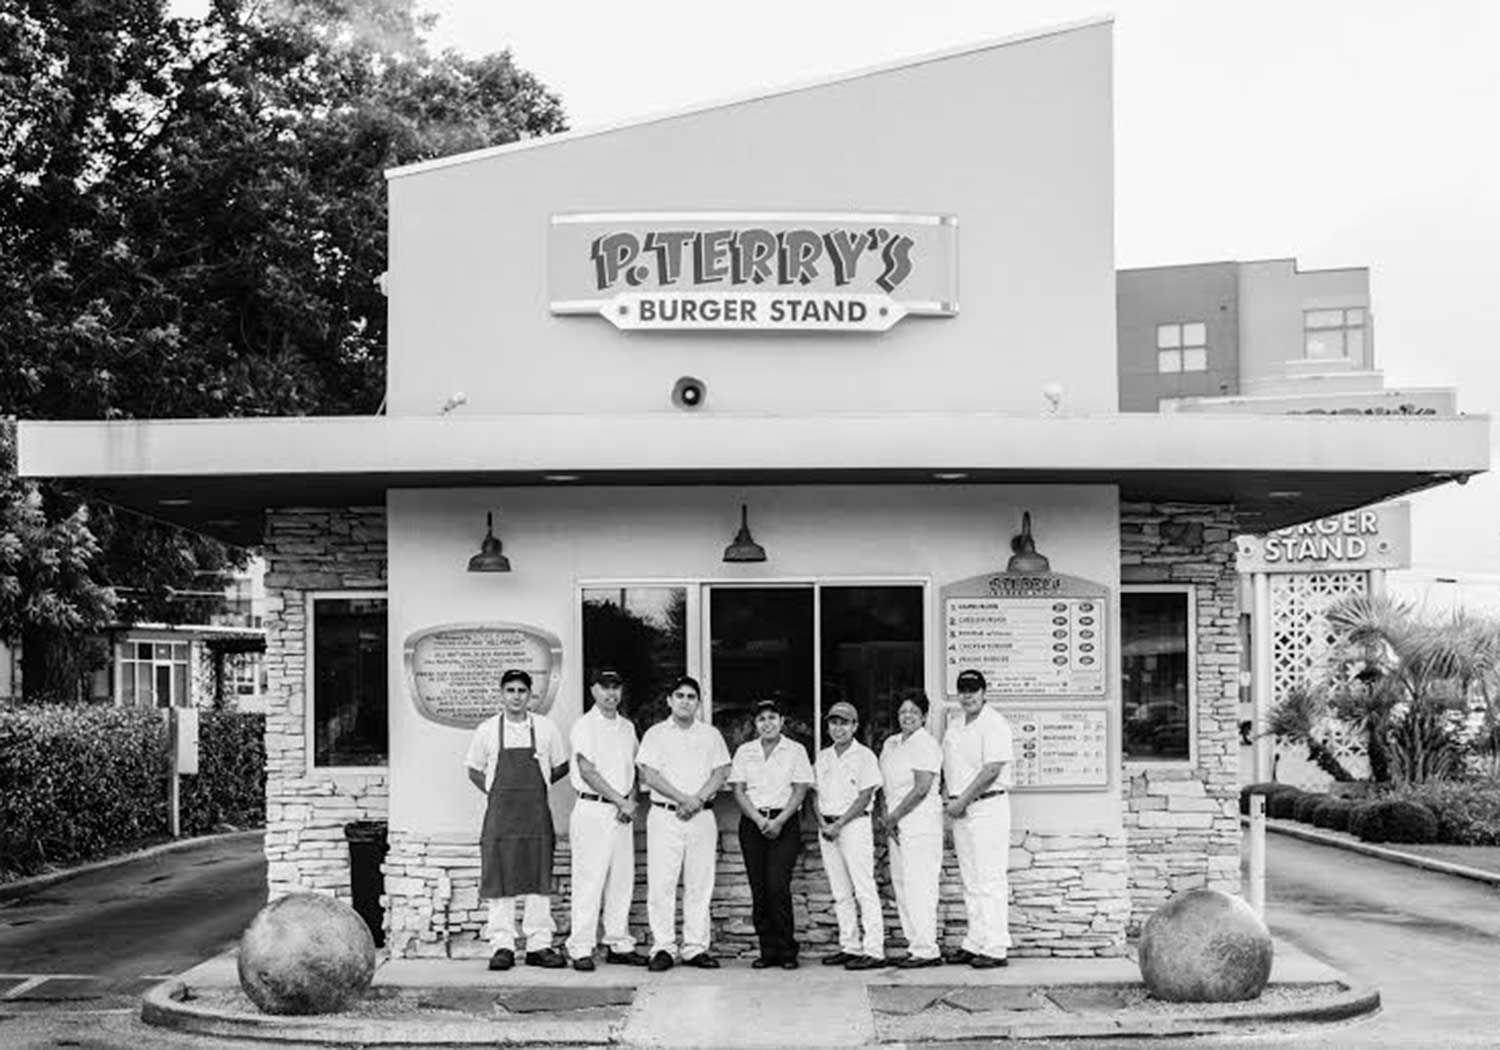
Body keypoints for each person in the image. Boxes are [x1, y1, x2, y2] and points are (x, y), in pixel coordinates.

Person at [465, 668, 570, 971]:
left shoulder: (546, 728)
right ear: (502, 694)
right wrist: (495, 791)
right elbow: (474, 769)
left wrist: (538, 786)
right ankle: (503, 945)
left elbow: (561, 766)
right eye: (510, 690)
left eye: (521, 691)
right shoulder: (487, 730)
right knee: (501, 879)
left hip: (536, 819)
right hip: (501, 819)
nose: (516, 696)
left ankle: (539, 944)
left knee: (538, 878)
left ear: (530, 695)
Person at [635, 675, 731, 972]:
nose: (685, 701)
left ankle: (695, 948)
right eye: (680, 695)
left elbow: (721, 771)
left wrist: (697, 800)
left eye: (691, 697)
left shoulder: (710, 735)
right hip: (666, 816)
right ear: (669, 700)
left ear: (699, 703)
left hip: (701, 816)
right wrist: (682, 799)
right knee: (662, 883)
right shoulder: (655, 734)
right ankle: (663, 947)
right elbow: (650, 775)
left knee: (699, 883)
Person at [564, 667, 649, 972]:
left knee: (621, 880)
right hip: (594, 809)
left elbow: (635, 769)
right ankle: (581, 947)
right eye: (605, 687)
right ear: (593, 691)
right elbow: (587, 771)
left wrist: (631, 801)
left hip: (622, 812)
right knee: (590, 880)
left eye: (616, 687)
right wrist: (620, 800)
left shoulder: (627, 727)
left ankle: (618, 943)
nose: (611, 693)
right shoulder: (584, 725)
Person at [729, 697, 814, 970]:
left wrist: (778, 821)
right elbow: (738, 790)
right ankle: (767, 951)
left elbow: (800, 789)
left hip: (784, 822)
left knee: (778, 886)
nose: (767, 723)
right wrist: (758, 819)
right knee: (760, 889)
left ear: (781, 721)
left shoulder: (795, 750)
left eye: (772, 718)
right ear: (755, 724)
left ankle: (787, 951)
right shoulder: (745, 751)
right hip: (752, 823)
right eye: (761, 719)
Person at [941, 668, 1015, 968]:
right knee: (971, 880)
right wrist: (952, 800)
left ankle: (996, 947)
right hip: (962, 809)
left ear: (984, 692)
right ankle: (975, 941)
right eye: (963, 690)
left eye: (973, 690)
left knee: (990, 879)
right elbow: (950, 768)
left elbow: (991, 770)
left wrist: (962, 801)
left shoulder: (994, 723)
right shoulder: (955, 725)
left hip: (987, 806)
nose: (967, 696)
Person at [814, 700, 885, 970]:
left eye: (844, 723)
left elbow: (865, 796)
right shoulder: (823, 757)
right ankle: (850, 946)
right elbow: (814, 795)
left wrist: (839, 824)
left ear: (855, 726)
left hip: (854, 826)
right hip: (828, 828)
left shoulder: (865, 756)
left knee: (863, 888)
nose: (838, 728)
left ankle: (874, 950)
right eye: (834, 723)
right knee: (840, 891)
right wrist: (823, 823)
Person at [878, 690, 944, 968]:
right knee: (902, 884)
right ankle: (914, 945)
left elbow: (921, 788)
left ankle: (927, 949)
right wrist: (887, 817)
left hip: (920, 823)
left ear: (924, 716)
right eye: (903, 711)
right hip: (896, 824)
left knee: (920, 886)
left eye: (914, 712)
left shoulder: (926, 744)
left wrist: (893, 818)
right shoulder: (891, 743)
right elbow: (884, 786)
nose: (907, 716)